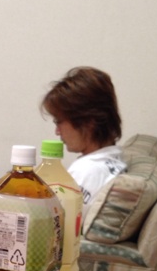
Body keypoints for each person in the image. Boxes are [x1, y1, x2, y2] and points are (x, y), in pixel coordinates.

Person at [41, 66, 126, 217]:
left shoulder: (87, 171)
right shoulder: (115, 161)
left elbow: (53, 222)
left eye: (59, 122)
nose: (57, 132)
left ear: (88, 122)